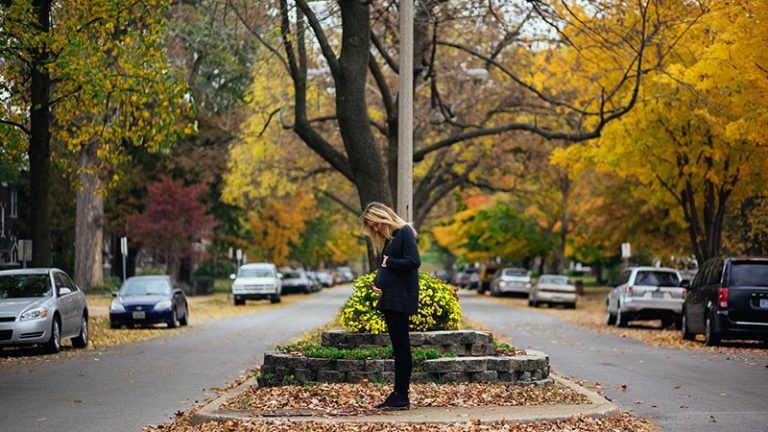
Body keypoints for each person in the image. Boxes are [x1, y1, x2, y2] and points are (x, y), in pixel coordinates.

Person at [360, 202, 421, 410]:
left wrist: (389, 264)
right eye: (372, 226)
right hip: (391, 297)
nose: (376, 229)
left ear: (384, 218)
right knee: (398, 347)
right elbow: (389, 267)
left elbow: (414, 262)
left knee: (402, 347)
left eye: (376, 224)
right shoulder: (390, 239)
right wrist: (379, 284)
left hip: (400, 299)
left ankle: (401, 395)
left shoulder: (404, 232)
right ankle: (397, 393)